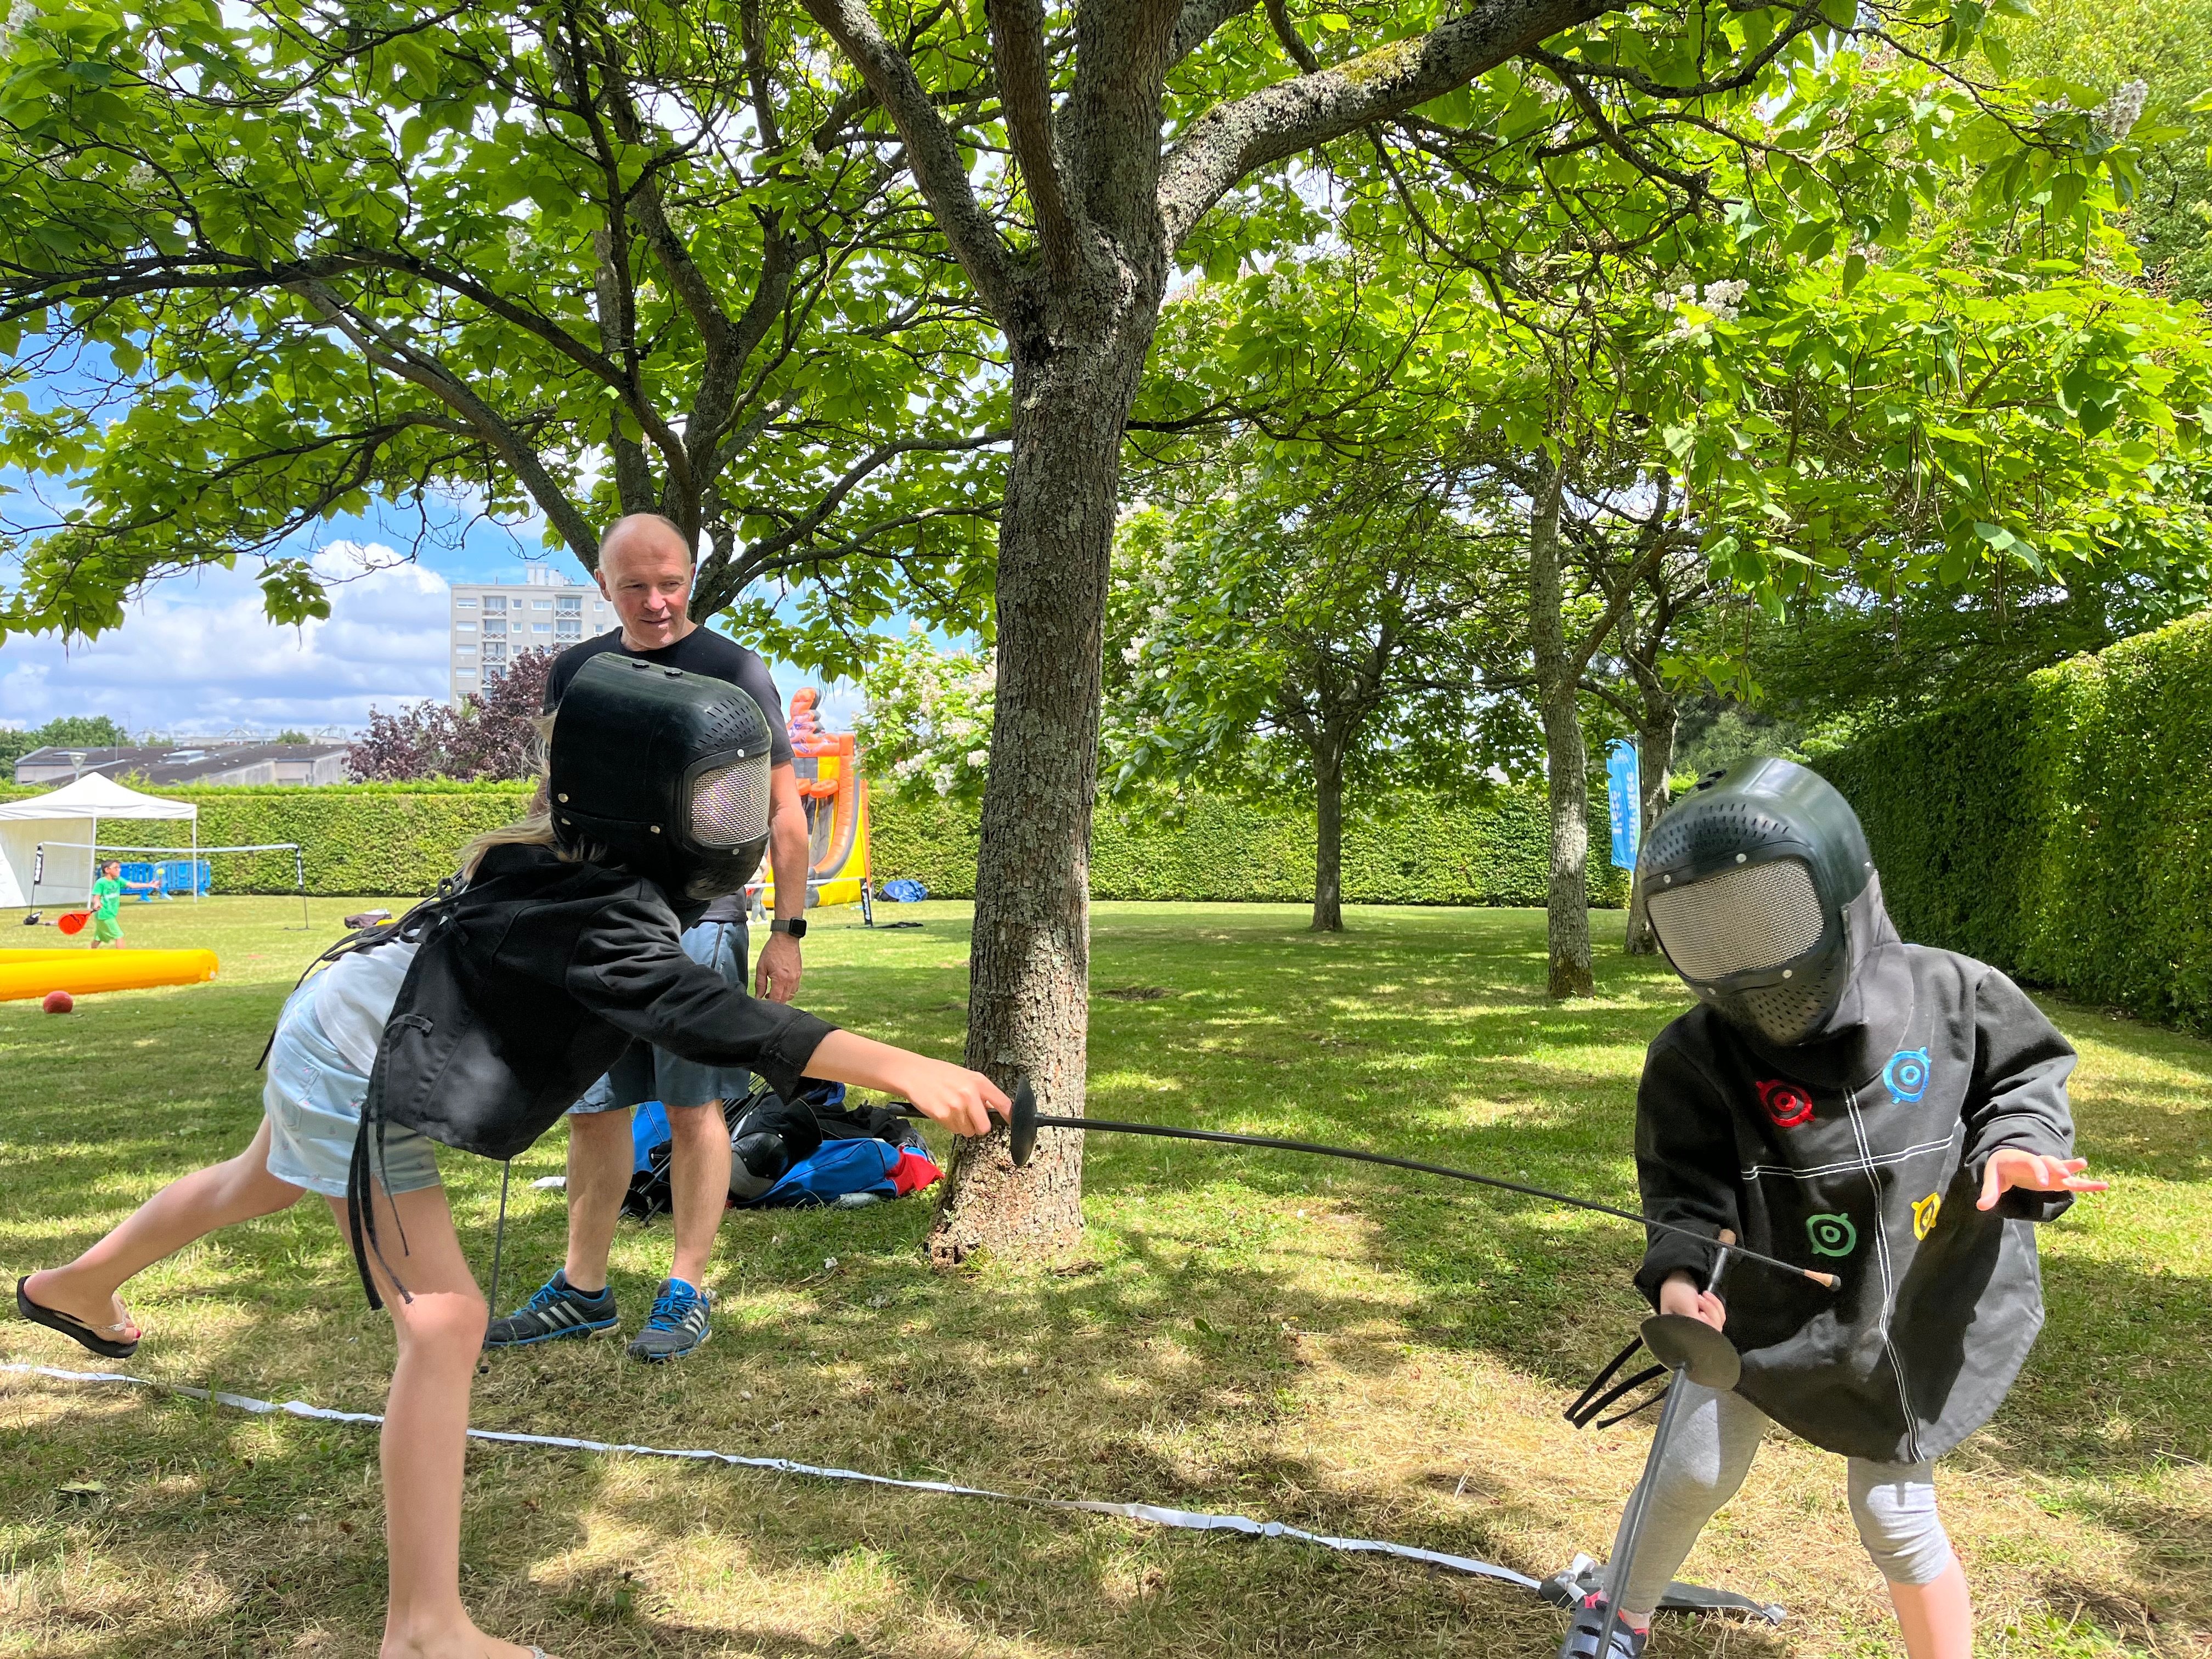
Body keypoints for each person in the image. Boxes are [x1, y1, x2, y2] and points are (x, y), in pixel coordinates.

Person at [18, 655, 1006, 1659]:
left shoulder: (581, 868)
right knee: (445, 1322)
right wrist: (896, 1064)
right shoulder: (600, 908)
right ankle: (423, 1629)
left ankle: (74, 1285)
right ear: (645, 805)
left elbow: (671, 995)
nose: (735, 814)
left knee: (256, 1179)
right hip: (363, 1057)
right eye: (713, 795)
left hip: (345, 1017)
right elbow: (707, 1012)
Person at [1560, 758, 2105, 1659]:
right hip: (1758, 1300)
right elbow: (1686, 1190)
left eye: (1769, 911)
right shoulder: (1693, 1055)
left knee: (1892, 1508)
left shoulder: (1954, 994)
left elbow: (2020, 1082)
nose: (1755, 961)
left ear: (1842, 889)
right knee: (1690, 1463)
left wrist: (2017, 1150)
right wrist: (1683, 1274)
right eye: (1710, 926)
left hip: (1904, 1306)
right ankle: (1613, 1616)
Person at [487, 512, 811, 1361]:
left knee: (693, 1105)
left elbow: (784, 816)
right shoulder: (578, 670)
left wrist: (788, 930)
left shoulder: (734, 673)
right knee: (593, 1112)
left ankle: (686, 1288)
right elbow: (556, 799)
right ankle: (582, 1290)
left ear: (691, 578)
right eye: (635, 586)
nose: (656, 601)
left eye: (670, 582)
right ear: (604, 586)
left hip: (700, 927)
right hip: (594, 927)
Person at [87, 858, 156, 948]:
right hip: (104, 914)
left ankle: (89, 954)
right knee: (119, 935)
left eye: (119, 868)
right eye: (116, 868)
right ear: (107, 870)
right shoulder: (101, 882)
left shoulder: (118, 880)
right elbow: (96, 897)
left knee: (100, 937)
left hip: (111, 914)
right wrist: (97, 903)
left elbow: (132, 885)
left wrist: (150, 885)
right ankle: (121, 959)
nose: (119, 870)